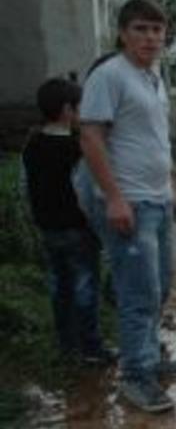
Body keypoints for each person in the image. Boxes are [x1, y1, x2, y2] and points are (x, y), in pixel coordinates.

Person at [79, 0, 176, 414]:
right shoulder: (110, 75)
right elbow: (91, 138)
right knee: (139, 294)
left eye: (157, 30)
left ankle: (150, 355)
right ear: (123, 33)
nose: (150, 37)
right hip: (130, 202)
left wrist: (171, 188)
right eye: (141, 29)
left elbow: (153, 141)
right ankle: (135, 376)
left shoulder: (152, 77)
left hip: (157, 199)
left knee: (160, 285)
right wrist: (113, 198)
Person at [21, 78, 115, 366]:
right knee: (85, 287)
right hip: (77, 229)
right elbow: (86, 191)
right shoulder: (76, 147)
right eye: (79, 107)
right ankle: (91, 347)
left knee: (59, 286)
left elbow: (25, 186)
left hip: (47, 227)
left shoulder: (32, 144)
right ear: (66, 110)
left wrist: (33, 217)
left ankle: (67, 345)